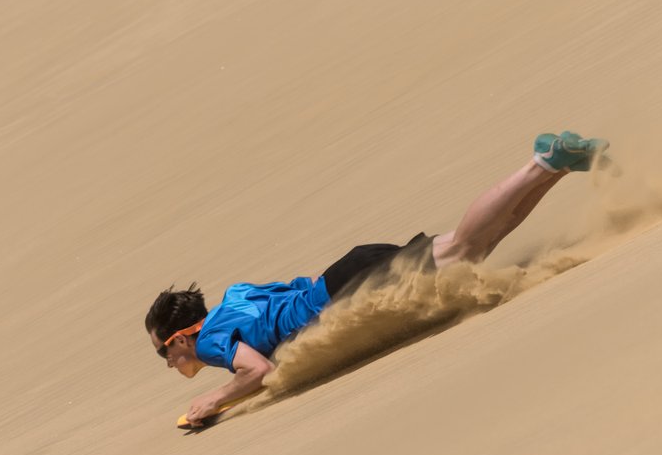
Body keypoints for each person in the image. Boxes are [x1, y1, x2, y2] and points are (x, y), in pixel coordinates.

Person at [145, 131, 609, 426]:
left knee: (464, 247)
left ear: (182, 338)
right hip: (346, 271)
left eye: (163, 351)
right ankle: (558, 168)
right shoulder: (235, 297)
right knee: (483, 243)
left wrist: (214, 399)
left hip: (350, 285)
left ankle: (540, 163)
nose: (168, 362)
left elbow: (258, 371)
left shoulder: (210, 343)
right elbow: (300, 282)